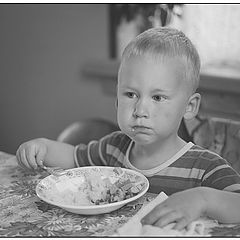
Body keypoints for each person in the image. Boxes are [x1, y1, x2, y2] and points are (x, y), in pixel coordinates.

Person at [16, 27, 240, 230]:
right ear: (116, 101)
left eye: (158, 97)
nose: (140, 110)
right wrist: (43, 147)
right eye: (131, 94)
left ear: (189, 107)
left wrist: (202, 199)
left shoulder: (205, 167)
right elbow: (74, 158)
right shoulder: (113, 148)